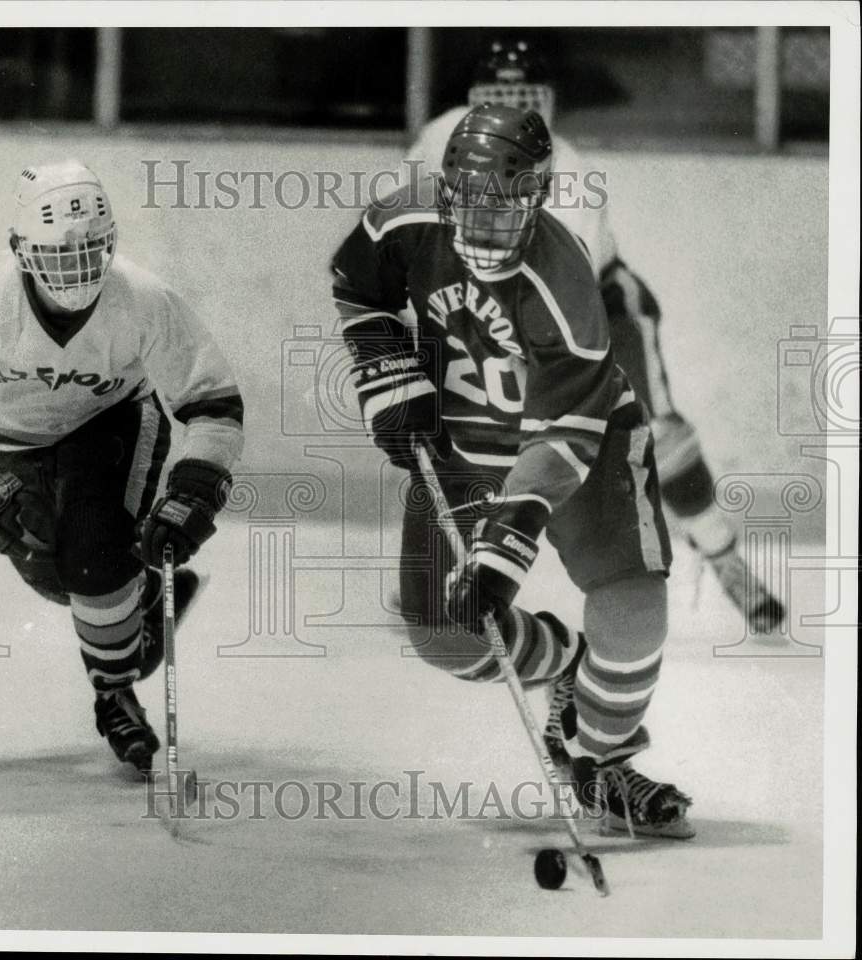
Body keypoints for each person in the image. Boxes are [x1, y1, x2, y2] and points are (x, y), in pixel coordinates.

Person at [332, 103, 693, 838]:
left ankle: (604, 759)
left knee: (632, 603)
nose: (489, 224)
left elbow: (561, 435)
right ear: (445, 189)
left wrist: (502, 553)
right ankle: (567, 667)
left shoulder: (566, 284)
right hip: (462, 447)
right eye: (472, 203)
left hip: (581, 443)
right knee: (444, 636)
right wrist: (387, 372)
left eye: (510, 206)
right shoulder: (400, 222)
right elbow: (358, 285)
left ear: (540, 193)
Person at [403, 38, 784, 634]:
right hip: (491, 302)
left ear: (550, 105)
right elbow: (409, 229)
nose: (512, 113)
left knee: (658, 430)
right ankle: (439, 571)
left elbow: (562, 297)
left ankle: (723, 556)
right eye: (498, 98)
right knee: (466, 424)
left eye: (525, 98)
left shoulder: (569, 171)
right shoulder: (439, 138)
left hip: (599, 306)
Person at [0, 160, 244, 774]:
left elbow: (213, 402)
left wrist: (197, 486)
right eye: (60, 254)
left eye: (91, 251)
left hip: (111, 425)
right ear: (18, 250)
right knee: (59, 577)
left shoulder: (144, 300)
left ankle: (112, 695)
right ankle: (144, 603)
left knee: (94, 554)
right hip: (12, 441)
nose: (78, 271)